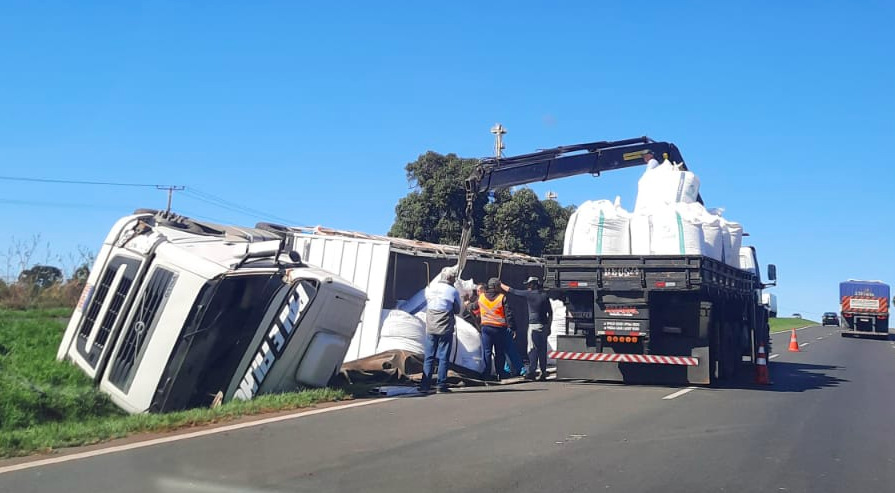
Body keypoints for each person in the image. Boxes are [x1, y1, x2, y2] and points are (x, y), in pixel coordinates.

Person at [502, 276, 553, 381]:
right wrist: (549, 326)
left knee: (532, 350)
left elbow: (513, 291)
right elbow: (550, 313)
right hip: (543, 326)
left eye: (529, 285)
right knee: (542, 350)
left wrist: (500, 285)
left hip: (534, 325)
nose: (528, 287)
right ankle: (543, 371)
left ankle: (532, 371)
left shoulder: (529, 294)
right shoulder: (544, 295)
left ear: (533, 285)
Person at [421, 267, 463, 393]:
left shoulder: (429, 289)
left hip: (431, 326)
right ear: (450, 278)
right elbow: (457, 309)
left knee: (429, 356)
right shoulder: (452, 291)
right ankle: (441, 384)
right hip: (445, 327)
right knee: (443, 356)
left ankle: (425, 385)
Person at [470, 277, 514, 381]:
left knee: (487, 352)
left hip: (486, 328)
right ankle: (500, 373)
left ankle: (487, 374)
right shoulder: (502, 298)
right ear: (496, 287)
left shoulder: (481, 297)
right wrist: (512, 327)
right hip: (499, 328)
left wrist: (467, 304)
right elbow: (509, 314)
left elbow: (474, 307)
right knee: (499, 352)